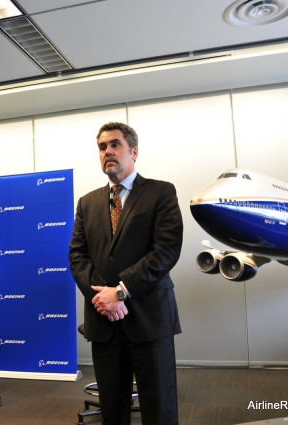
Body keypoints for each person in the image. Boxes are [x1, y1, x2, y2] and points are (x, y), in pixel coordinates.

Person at [68, 122, 183, 425]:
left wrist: (119, 292)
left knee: (159, 406)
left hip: (149, 317)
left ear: (133, 151)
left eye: (115, 144)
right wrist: (103, 298)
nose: (108, 152)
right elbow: (77, 255)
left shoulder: (160, 192)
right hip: (104, 320)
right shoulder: (88, 202)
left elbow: (166, 251)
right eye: (102, 147)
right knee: (112, 407)